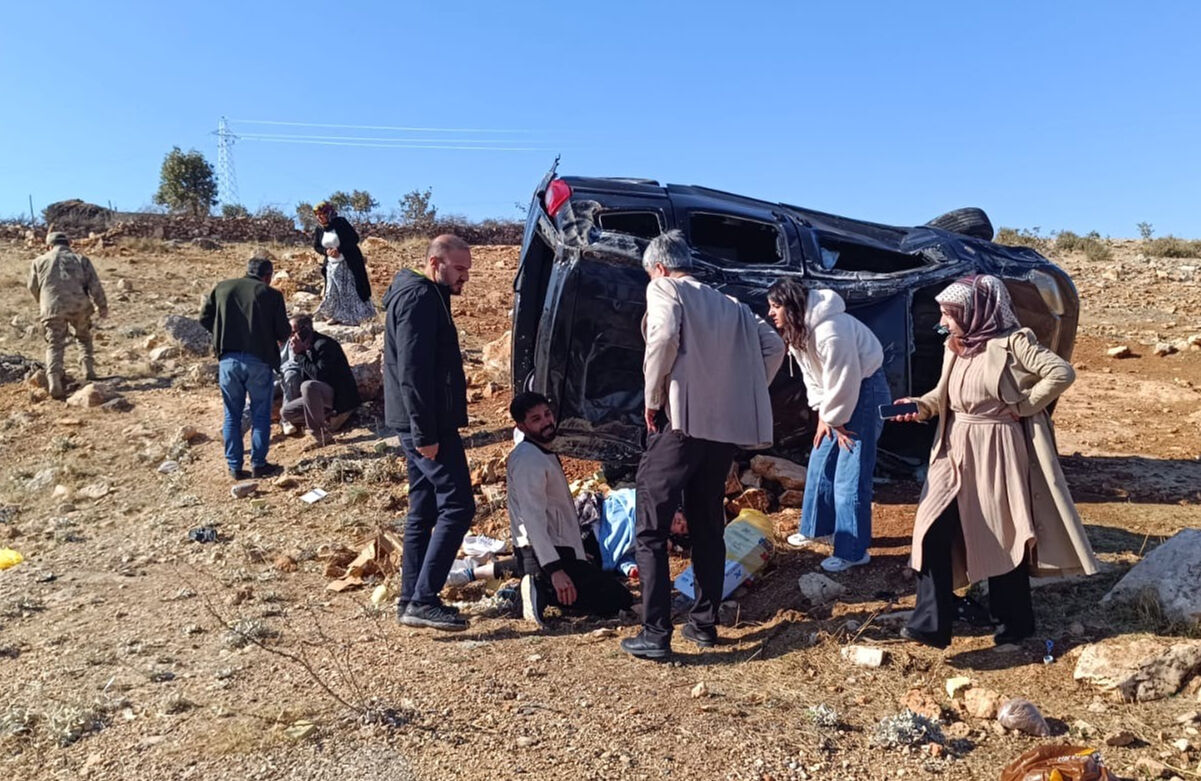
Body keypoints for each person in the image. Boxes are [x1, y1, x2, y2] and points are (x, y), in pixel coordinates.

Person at [894, 275, 1100, 649]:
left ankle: (1014, 622)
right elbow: (942, 395)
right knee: (931, 528)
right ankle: (930, 622)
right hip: (953, 445)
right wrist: (920, 407)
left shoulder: (1013, 342)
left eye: (949, 312)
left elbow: (1060, 372)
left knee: (1001, 530)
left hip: (996, 446)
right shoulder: (954, 346)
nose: (942, 319)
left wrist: (1023, 406)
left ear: (975, 311)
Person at [622, 230, 785, 659]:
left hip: (679, 425)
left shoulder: (664, 288)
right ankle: (703, 625)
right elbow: (774, 346)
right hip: (721, 434)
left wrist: (653, 398)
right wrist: (740, 391)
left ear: (658, 267)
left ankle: (655, 633)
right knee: (708, 526)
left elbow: (661, 339)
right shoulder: (730, 304)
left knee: (652, 527)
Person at [383, 234, 476, 631]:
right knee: (458, 505)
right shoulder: (419, 299)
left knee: (423, 510)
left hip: (423, 422)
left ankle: (410, 599)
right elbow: (414, 373)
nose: (465, 278)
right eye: (459, 270)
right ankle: (424, 598)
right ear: (436, 263)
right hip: (426, 425)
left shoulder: (426, 295)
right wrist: (425, 432)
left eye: (467, 271)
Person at [766, 277, 889, 572]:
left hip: (865, 389)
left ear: (792, 306)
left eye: (775, 306)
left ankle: (853, 550)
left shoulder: (831, 331)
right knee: (821, 457)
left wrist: (835, 419)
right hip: (839, 395)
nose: (770, 312)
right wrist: (823, 413)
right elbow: (814, 377)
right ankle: (816, 529)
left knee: (851, 470)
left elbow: (845, 378)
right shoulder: (798, 330)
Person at [506, 392, 635, 628]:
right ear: (522, 427)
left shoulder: (541, 450)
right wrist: (554, 570)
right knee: (617, 599)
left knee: (613, 591)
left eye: (547, 414)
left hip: (559, 550)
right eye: (536, 419)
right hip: (545, 554)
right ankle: (541, 586)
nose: (546, 422)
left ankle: (538, 586)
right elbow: (532, 519)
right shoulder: (528, 459)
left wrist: (576, 551)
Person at [200, 257, 290, 480]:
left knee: (232, 414)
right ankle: (259, 464)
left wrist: (223, 331)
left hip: (228, 361)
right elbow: (283, 332)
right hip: (258, 361)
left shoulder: (222, 288)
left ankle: (234, 466)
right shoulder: (271, 295)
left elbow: (204, 318)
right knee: (260, 414)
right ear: (268, 276)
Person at [27, 232, 108, 399]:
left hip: (52, 307)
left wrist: (42, 301)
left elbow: (32, 286)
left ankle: (54, 379)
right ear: (69, 244)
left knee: (54, 344)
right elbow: (94, 285)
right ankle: (88, 371)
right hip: (79, 306)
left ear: (49, 246)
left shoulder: (38, 261)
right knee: (83, 337)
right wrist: (102, 306)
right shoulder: (81, 260)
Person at [279, 315, 361, 448]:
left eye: (293, 332)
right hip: (321, 398)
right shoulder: (306, 347)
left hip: (339, 398)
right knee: (287, 412)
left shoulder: (324, 345)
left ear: (305, 330)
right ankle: (325, 419)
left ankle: (320, 434)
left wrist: (300, 354)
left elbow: (318, 375)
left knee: (308, 386)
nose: (290, 337)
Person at [312, 202, 374, 325]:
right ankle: (335, 315)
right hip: (331, 265)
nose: (320, 217)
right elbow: (317, 246)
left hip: (348, 264)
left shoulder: (340, 223)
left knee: (348, 290)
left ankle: (354, 317)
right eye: (317, 215)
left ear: (328, 213)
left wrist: (339, 250)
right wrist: (326, 251)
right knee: (332, 290)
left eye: (322, 213)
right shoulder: (319, 229)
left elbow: (354, 239)